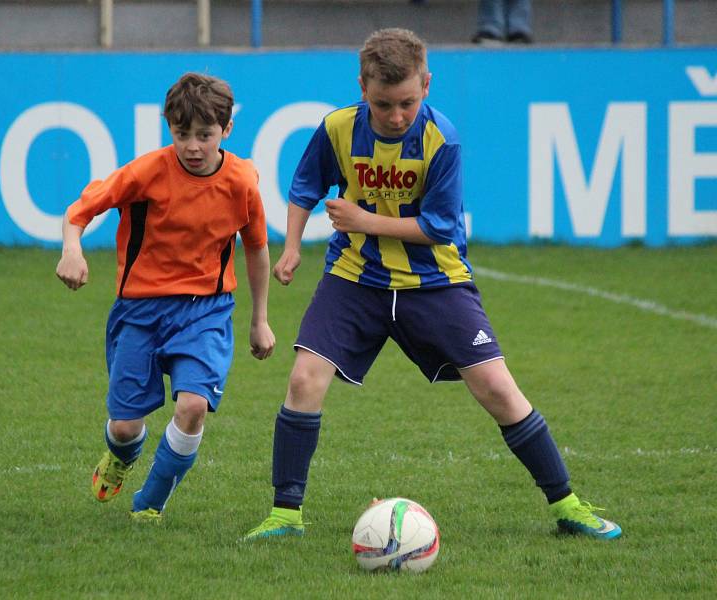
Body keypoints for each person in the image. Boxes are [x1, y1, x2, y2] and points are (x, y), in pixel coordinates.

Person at [243, 28, 620, 541]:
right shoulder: (336, 128)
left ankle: (568, 505)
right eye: (383, 105)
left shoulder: (442, 139)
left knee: (496, 388)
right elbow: (305, 185)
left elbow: (440, 228)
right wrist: (291, 246)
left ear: (427, 83)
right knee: (304, 380)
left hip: (436, 280)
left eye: (407, 103)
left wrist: (363, 219)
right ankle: (285, 515)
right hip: (355, 277)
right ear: (362, 87)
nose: (396, 116)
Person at [56, 72, 276, 522]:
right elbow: (80, 212)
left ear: (227, 130)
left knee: (193, 405)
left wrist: (260, 319)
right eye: (182, 135)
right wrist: (71, 250)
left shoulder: (241, 182)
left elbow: (255, 247)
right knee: (124, 426)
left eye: (205, 135)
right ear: (169, 128)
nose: (193, 146)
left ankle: (151, 501)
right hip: (139, 312)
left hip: (206, 312)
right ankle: (121, 454)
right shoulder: (146, 172)